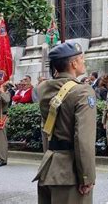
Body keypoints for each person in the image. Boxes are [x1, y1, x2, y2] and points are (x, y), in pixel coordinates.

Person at [33, 42, 97, 203]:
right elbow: (83, 139)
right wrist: (87, 176)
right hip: (70, 173)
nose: (84, 62)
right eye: (82, 58)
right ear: (73, 63)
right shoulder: (82, 91)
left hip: (49, 166)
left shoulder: (42, 88)